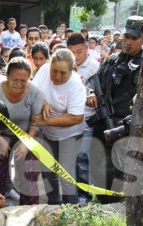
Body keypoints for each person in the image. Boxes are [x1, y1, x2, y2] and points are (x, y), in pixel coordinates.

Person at [93, 16, 143, 203]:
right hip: (102, 125)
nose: (128, 41)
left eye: (134, 38)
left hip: (125, 129)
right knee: (98, 171)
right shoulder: (111, 61)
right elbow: (95, 83)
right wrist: (91, 93)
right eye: (126, 36)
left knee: (120, 176)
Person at [0, 57, 44, 204]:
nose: (19, 84)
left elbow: (35, 123)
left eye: (23, 81)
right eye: (15, 79)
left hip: (26, 135)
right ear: (7, 77)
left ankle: (30, 211)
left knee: (29, 176)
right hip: (0, 133)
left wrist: (26, 143)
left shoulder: (35, 92)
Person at [31, 49, 86, 204]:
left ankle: (71, 210)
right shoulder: (43, 71)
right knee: (47, 171)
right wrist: (43, 101)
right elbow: (32, 90)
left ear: (72, 70)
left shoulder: (76, 85)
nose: (57, 76)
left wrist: (45, 122)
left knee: (66, 174)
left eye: (63, 73)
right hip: (48, 133)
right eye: (54, 71)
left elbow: (76, 117)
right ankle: (53, 204)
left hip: (70, 133)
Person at [67, 33, 100, 205]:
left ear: (87, 48)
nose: (75, 56)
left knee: (82, 158)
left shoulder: (95, 67)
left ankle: (84, 195)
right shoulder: (65, 64)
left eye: (79, 51)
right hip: (67, 119)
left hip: (87, 120)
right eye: (71, 52)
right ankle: (69, 193)